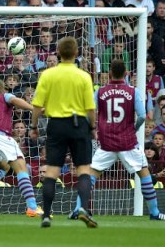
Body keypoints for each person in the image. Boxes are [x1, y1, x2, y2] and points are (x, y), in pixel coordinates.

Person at [70, 60, 165, 221]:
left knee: (91, 175)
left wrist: (93, 128)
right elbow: (142, 116)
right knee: (144, 176)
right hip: (128, 142)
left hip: (106, 142)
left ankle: (77, 208)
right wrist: (133, 129)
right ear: (126, 73)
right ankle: (155, 213)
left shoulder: (99, 92)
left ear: (109, 74)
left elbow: (90, 111)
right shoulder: (133, 91)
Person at [31, 36, 97, 228]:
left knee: (52, 171)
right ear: (76, 53)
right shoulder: (84, 76)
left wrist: (34, 127)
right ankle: (83, 208)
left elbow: (37, 105)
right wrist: (92, 128)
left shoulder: (48, 75)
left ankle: (46, 215)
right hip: (78, 125)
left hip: (56, 124)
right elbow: (90, 108)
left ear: (58, 52)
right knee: (83, 169)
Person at [0, 79, 43, 217]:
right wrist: (33, 108)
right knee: (21, 167)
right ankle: (32, 207)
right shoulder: (4, 97)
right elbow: (15, 100)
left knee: (4, 166)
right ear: (3, 90)